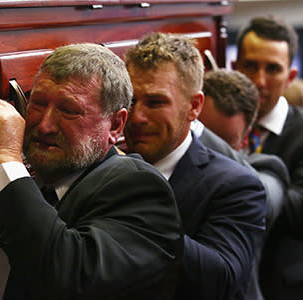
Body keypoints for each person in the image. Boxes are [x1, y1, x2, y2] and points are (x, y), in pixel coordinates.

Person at [0, 43, 183, 300]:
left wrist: (6, 158)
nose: (44, 125)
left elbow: (67, 277)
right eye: (38, 103)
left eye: (69, 110)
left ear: (116, 125)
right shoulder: (21, 181)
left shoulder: (140, 189)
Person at [123, 32, 266, 300]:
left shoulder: (237, 185)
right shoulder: (103, 170)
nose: (137, 116)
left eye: (155, 102)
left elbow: (222, 280)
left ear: (194, 106)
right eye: (131, 101)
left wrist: (135, 210)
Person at [199, 68, 290, 300]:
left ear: (246, 137)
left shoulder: (267, 168)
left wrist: (197, 133)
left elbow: (264, 199)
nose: (204, 155)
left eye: (224, 142)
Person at [233, 16, 303, 300]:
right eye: (251, 66)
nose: (259, 81)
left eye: (272, 69)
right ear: (235, 67)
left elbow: (298, 213)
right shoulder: (212, 125)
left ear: (290, 76)